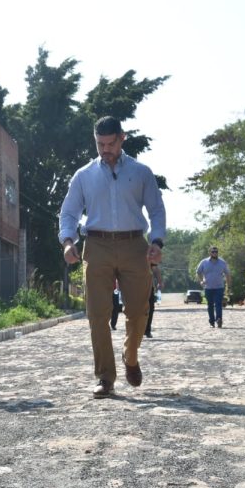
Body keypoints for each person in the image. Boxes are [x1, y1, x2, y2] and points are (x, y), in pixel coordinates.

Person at [59, 116, 166, 399]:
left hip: (134, 246)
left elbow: (156, 210)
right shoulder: (83, 175)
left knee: (138, 311)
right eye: (99, 144)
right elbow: (69, 213)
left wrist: (157, 240)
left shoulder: (141, 172)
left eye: (110, 143)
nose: (105, 149)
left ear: (122, 138)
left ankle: (130, 356)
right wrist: (68, 241)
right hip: (96, 245)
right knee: (97, 314)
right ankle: (105, 377)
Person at [195, 246, 231, 328]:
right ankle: (212, 322)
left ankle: (219, 319)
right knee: (210, 305)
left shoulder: (222, 263)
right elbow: (198, 272)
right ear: (210, 252)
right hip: (208, 287)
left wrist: (228, 286)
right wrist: (201, 281)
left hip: (219, 287)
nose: (215, 253)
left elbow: (228, 274)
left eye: (216, 251)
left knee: (218, 304)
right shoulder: (204, 262)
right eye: (213, 251)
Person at [144, 264, 163, 338]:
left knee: (150, 309)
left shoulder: (149, 255)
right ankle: (137, 329)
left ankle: (147, 330)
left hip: (149, 287)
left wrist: (160, 282)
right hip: (135, 287)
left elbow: (156, 270)